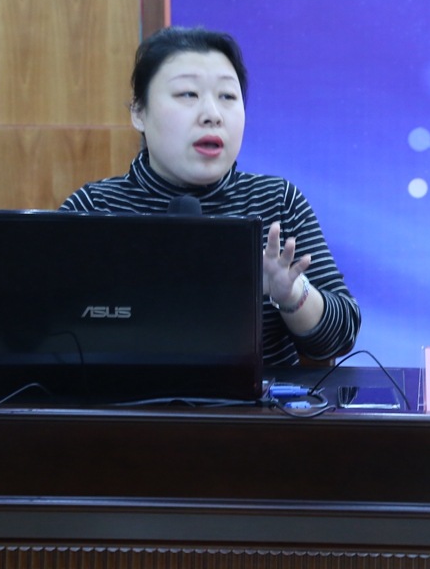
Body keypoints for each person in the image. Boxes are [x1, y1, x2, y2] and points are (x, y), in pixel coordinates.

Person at [61, 27, 360, 366]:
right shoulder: (94, 209)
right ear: (139, 112)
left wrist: (292, 294)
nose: (212, 115)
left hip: (252, 402)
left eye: (227, 97)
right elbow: (34, 331)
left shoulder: (277, 202)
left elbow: (340, 338)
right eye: (187, 94)